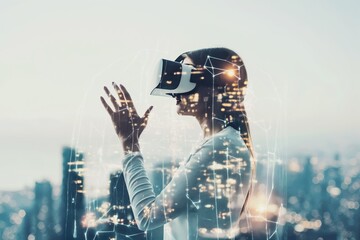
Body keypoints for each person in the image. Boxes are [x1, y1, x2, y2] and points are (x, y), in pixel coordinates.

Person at [101, 48, 255, 239]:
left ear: (216, 86)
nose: (176, 87)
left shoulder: (220, 147)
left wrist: (129, 144)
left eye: (187, 74)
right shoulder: (221, 143)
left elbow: (147, 217)